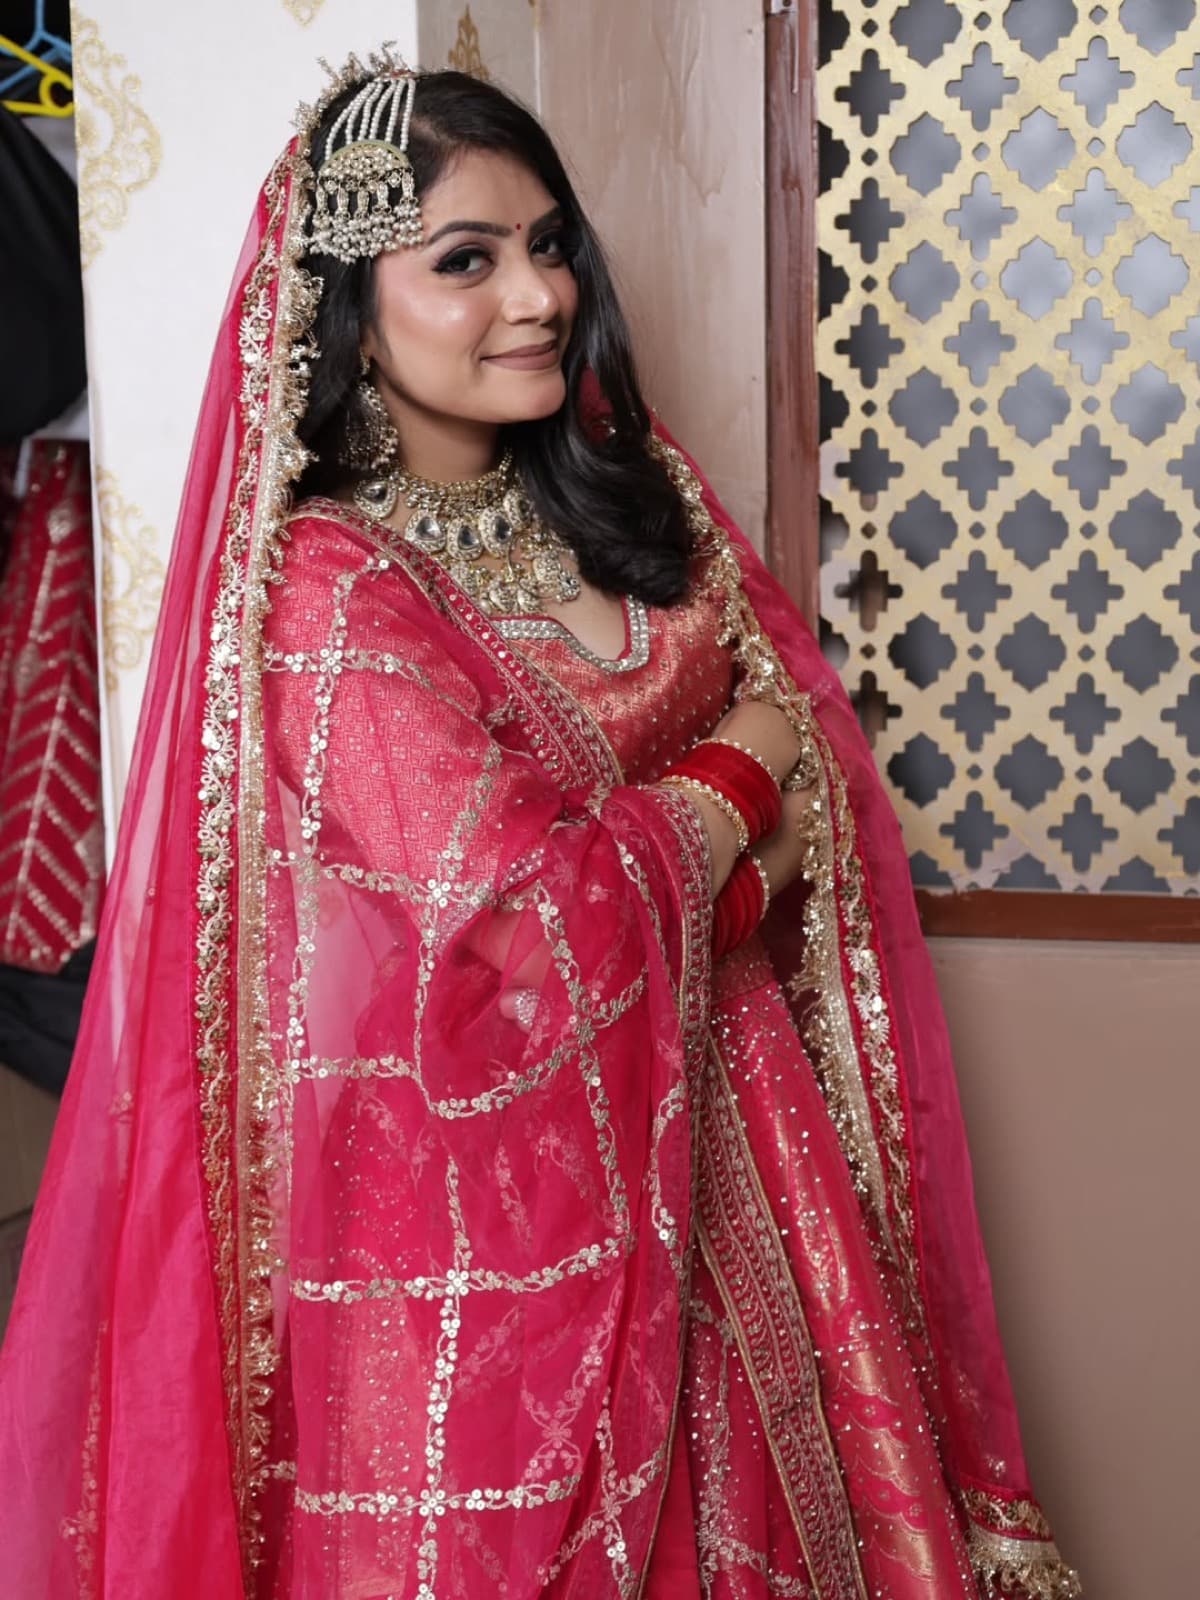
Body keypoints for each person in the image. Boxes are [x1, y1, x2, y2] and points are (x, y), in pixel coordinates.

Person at [0, 53, 1081, 1600]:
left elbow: (782, 825)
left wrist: (714, 825)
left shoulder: (615, 503)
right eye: (465, 261)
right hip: (494, 1246)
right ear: (344, 304)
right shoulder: (327, 591)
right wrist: (746, 765)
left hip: (749, 1167)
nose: (540, 295)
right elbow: (525, 938)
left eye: (550, 243)